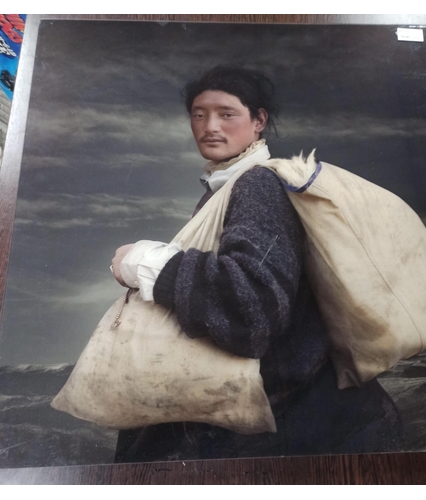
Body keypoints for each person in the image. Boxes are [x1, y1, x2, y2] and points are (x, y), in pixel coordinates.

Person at [112, 65, 402, 462]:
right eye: (199, 114)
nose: (209, 126)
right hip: (306, 416)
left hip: (306, 424)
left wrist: (145, 263)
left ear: (258, 120)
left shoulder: (258, 184)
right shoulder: (229, 187)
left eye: (226, 113)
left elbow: (251, 308)